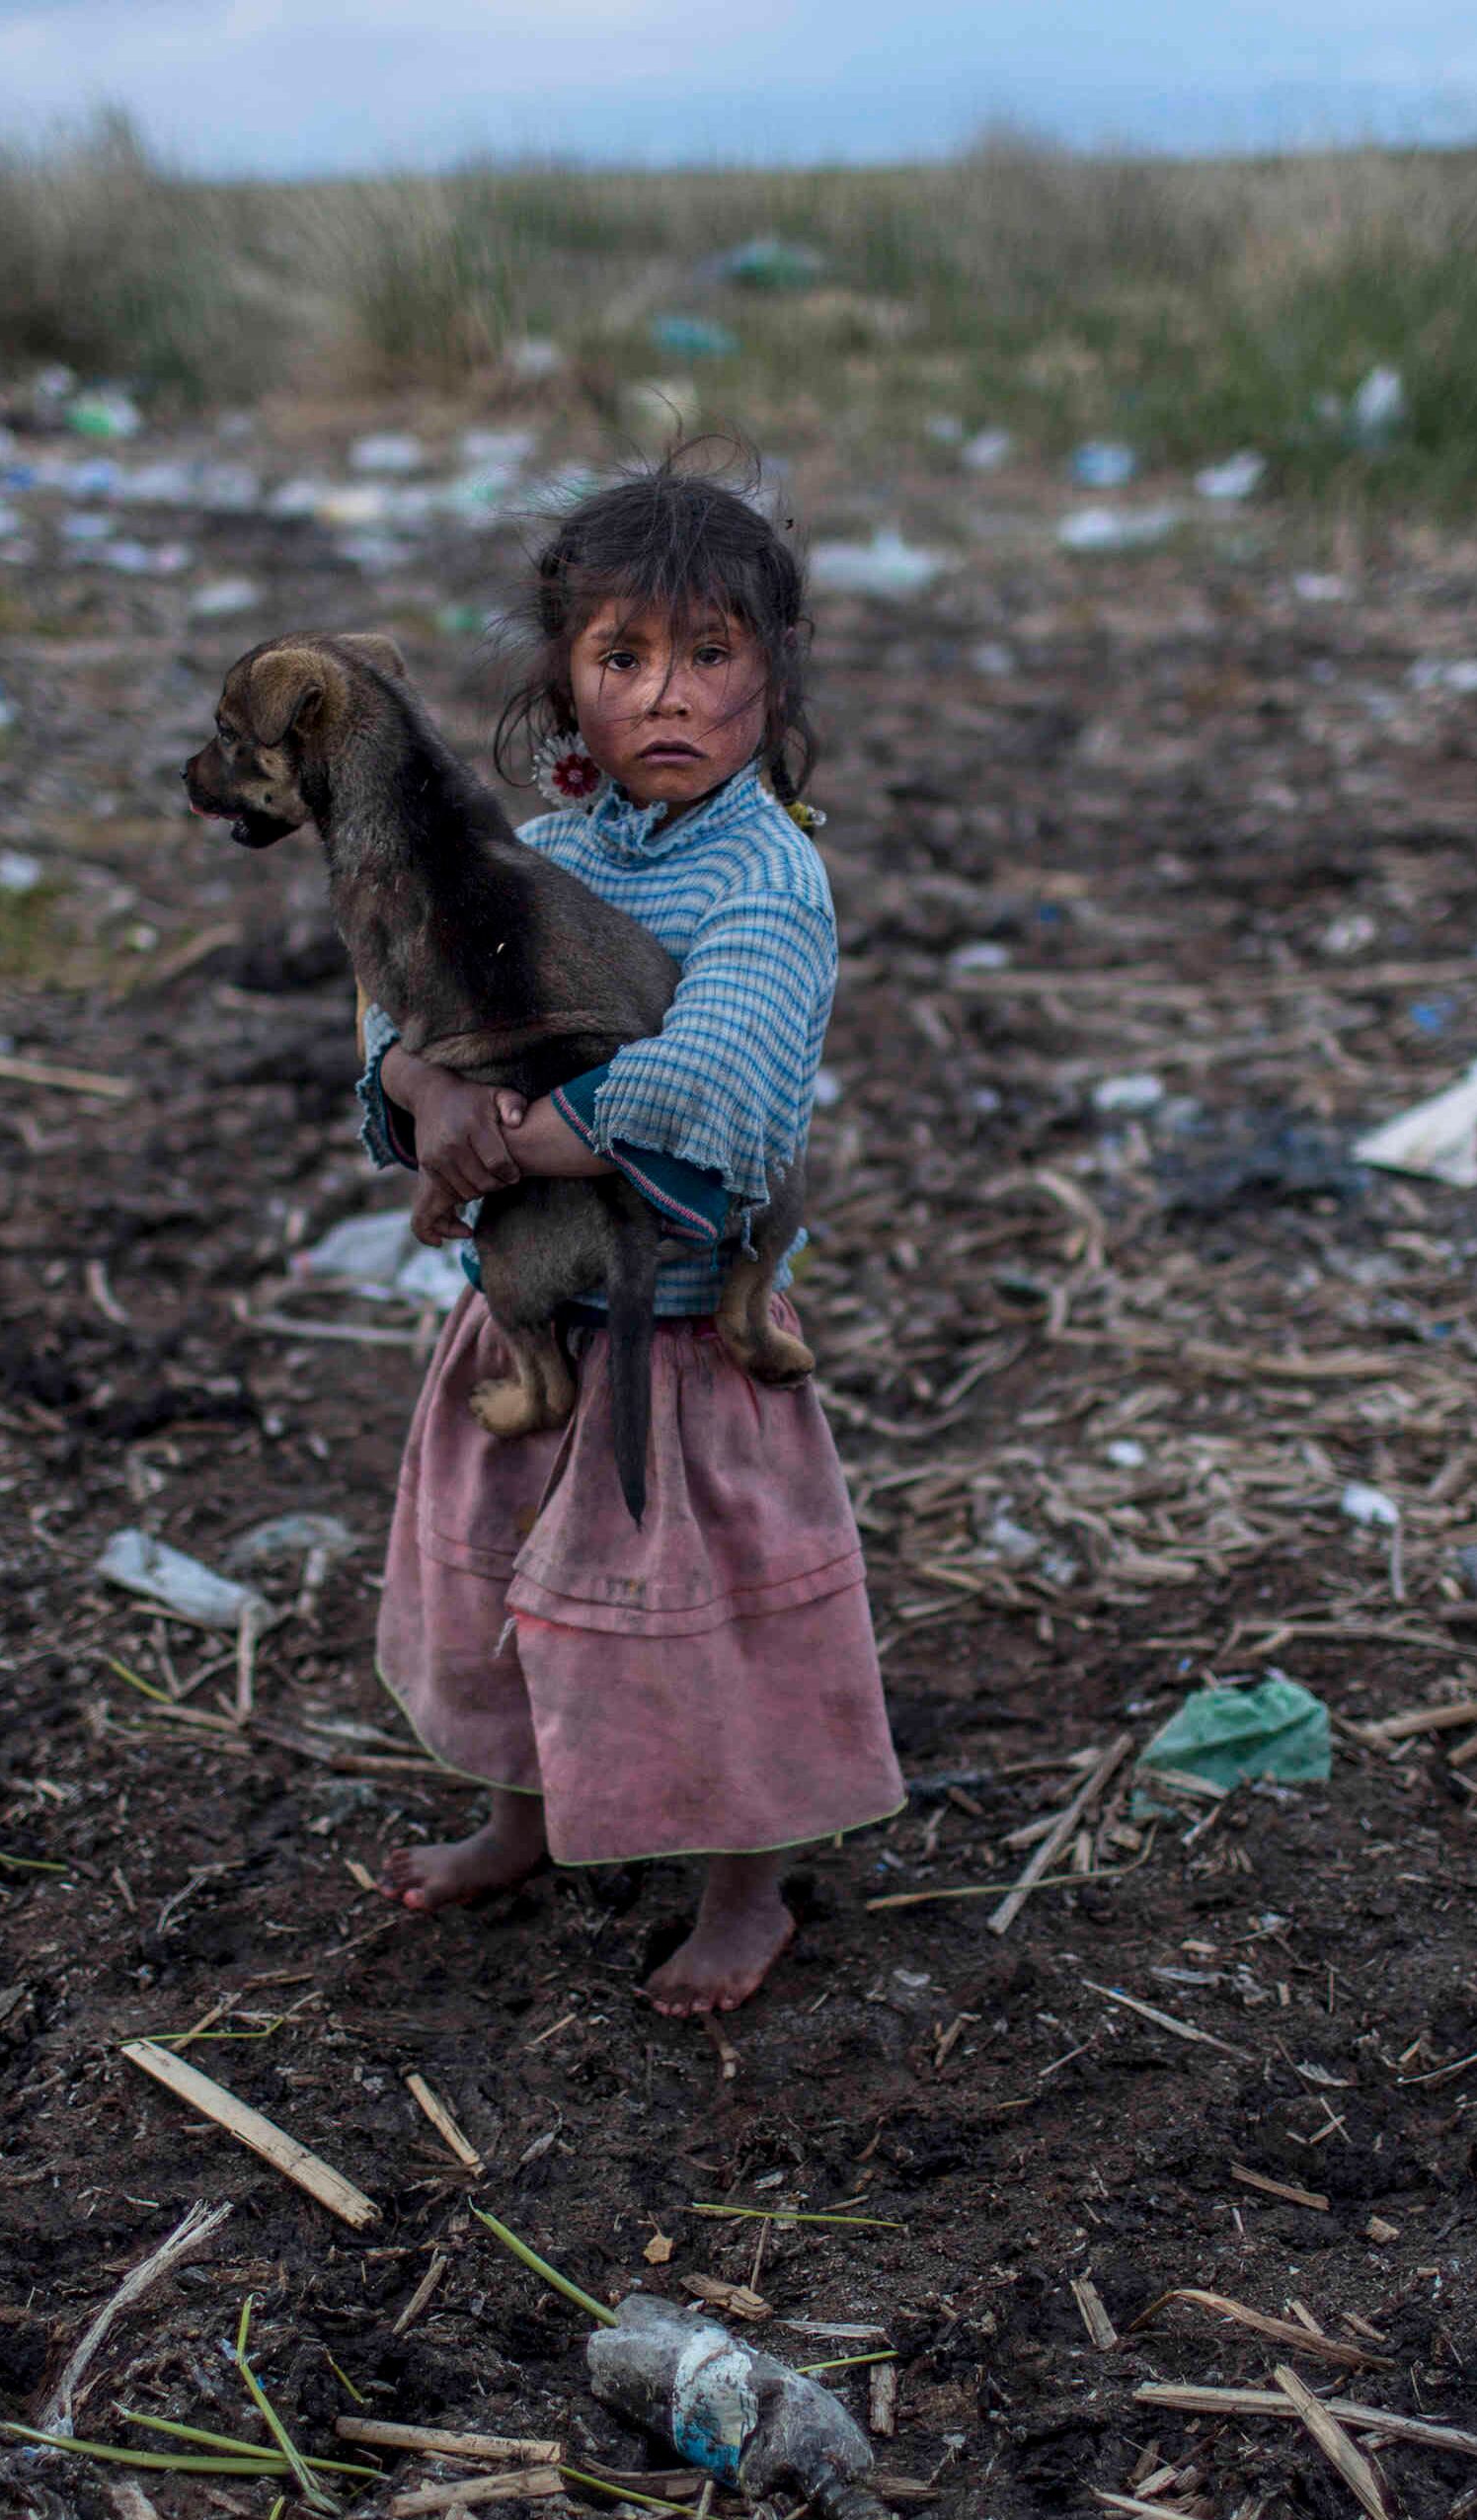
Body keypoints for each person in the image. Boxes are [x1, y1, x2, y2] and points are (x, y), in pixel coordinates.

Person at [355, 452, 899, 2016]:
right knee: (507, 1595)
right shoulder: (544, 853)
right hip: (525, 1319)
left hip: (679, 1336)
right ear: (564, 683)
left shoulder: (766, 880)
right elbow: (414, 994)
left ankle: (747, 1887)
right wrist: (411, 1080)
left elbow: (712, 1071)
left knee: (697, 1626)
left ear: (774, 671)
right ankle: (524, 1817)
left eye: (709, 655)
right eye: (622, 659)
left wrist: (507, 1134)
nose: (666, 695)